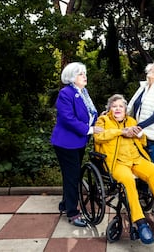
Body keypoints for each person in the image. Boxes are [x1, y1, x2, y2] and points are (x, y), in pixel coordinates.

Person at [94, 94, 154, 245]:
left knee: (153, 170)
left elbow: (142, 141)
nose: (117, 109)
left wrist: (139, 133)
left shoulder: (131, 121)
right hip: (116, 163)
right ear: (109, 109)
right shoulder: (103, 120)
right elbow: (99, 137)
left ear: (125, 110)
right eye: (114, 106)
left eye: (121, 106)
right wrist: (121, 132)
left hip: (135, 160)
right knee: (128, 180)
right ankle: (141, 222)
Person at [50, 62, 103, 227]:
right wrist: (89, 129)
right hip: (66, 143)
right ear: (72, 77)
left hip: (78, 142)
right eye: (81, 74)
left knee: (70, 175)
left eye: (85, 73)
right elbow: (68, 119)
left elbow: (90, 114)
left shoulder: (83, 92)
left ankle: (66, 204)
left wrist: (102, 117)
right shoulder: (65, 93)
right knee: (72, 176)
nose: (85, 76)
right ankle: (73, 213)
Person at [127, 61, 154, 170]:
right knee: (139, 166)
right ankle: (143, 188)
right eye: (151, 67)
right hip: (138, 134)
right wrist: (112, 114)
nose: (152, 69)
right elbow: (131, 107)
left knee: (153, 167)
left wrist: (138, 126)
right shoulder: (143, 88)